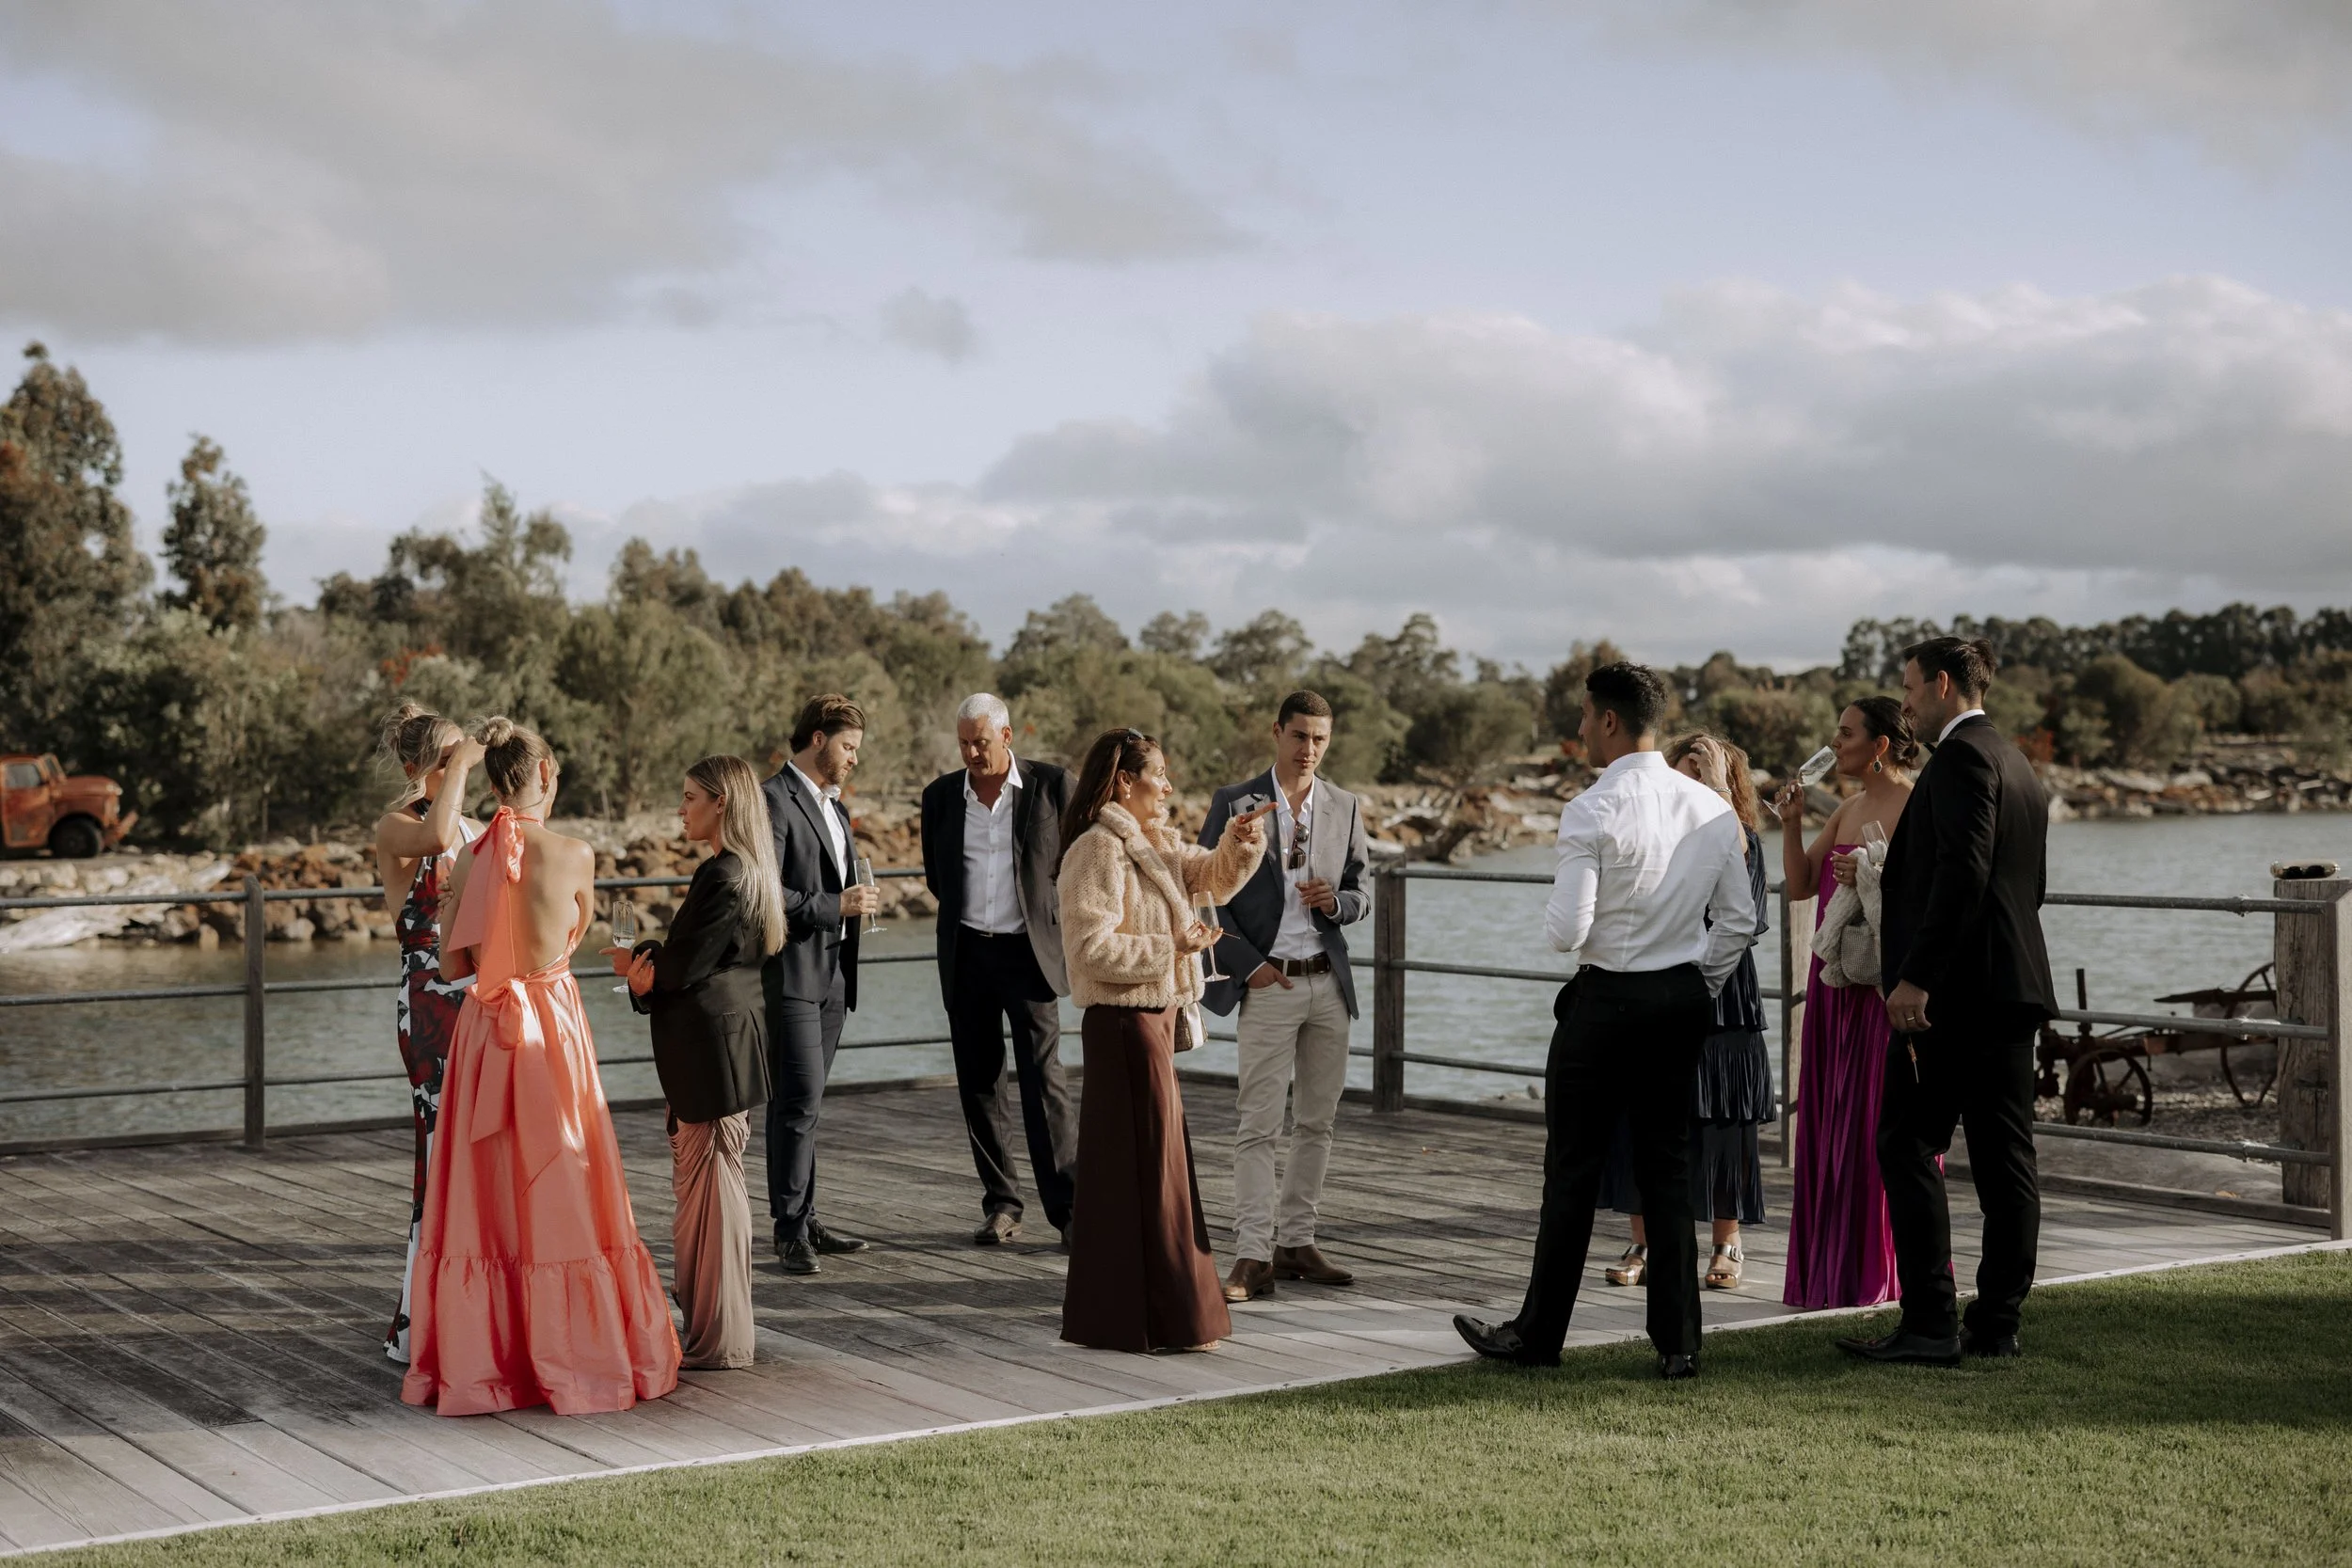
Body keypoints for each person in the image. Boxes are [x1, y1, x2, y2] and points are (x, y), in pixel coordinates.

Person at [1454, 663, 1755, 1379]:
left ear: (1610, 720)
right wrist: (1693, 980)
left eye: (1586, 716)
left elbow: (1566, 930)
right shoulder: (1712, 811)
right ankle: (1679, 1343)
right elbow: (1739, 919)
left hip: (1605, 1004)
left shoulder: (1589, 808)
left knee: (1573, 1169)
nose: (1582, 728)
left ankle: (1539, 1336)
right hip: (1678, 1001)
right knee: (1669, 1170)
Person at [401, 718, 680, 1416]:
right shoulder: (576, 854)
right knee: (565, 1182)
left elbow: (451, 964)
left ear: (493, 783)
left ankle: (489, 1361)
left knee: (485, 1194)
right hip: (550, 1028)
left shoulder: (467, 860)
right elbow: (577, 935)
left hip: (484, 1030)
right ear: (547, 775)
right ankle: (575, 1352)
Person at [1839, 638, 2056, 1366]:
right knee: (2005, 1162)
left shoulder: (1961, 759)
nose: (1902, 702)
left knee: (1904, 1142)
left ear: (1941, 684)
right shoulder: (2018, 761)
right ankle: (1995, 1324)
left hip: (1953, 998)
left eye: (1907, 688)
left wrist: (1918, 976)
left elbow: (1962, 874)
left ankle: (1931, 1321)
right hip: (2011, 988)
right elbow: (2028, 888)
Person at [1057, 728, 1272, 1354]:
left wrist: (1240, 840)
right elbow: (1087, 950)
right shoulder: (1098, 849)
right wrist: (1168, 948)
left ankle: (1143, 1316)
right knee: (1145, 1173)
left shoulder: (1155, 843)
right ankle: (1154, 1317)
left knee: (1154, 1171)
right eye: (1161, 775)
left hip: (1149, 1024)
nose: (1170, 787)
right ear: (1126, 781)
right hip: (1122, 1026)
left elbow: (1212, 878)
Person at [1198, 689, 1372, 1302]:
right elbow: (1206, 893)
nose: (1310, 749)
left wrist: (1339, 903)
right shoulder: (1235, 802)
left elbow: (1361, 889)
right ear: (1277, 732)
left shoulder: (1346, 806)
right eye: (1300, 736)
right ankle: (1252, 1255)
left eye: (1320, 739)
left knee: (1317, 1122)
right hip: (1269, 984)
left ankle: (1296, 1243)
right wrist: (1249, 967)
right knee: (1258, 1125)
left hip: (1329, 980)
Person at [611, 754, 780, 1370]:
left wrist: (638, 963)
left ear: (721, 804)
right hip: (724, 1044)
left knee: (712, 1188)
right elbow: (700, 957)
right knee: (717, 1183)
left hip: (712, 1050)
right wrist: (651, 959)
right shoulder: (747, 870)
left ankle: (721, 1337)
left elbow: (683, 967)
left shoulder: (725, 874)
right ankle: (720, 1328)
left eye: (689, 797)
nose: (680, 808)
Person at [1597, 734, 1771, 1292]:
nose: (1691, 786)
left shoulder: (1742, 839)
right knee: (1639, 1116)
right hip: (1655, 983)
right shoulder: (1653, 837)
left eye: (1705, 776)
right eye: (1684, 775)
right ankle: (1644, 1240)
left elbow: (1745, 917)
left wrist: (1718, 794)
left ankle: (1727, 1240)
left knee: (1723, 1121)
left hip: (1725, 1000)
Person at [1773, 696, 1917, 1309]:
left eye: (1847, 733)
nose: (1836, 742)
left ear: (1880, 744)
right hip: (1834, 986)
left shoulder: (1914, 804)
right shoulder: (1851, 806)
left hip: (1884, 988)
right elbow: (1802, 885)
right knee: (1829, 1124)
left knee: (1875, 1128)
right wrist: (1791, 821)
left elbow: (1924, 891)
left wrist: (1872, 872)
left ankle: (1878, 1270)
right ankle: (1827, 1271)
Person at [919, 693, 1077, 1247]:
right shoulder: (939, 797)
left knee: (1044, 1083)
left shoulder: (1054, 786)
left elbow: (1078, 863)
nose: (971, 752)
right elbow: (939, 878)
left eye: (980, 742)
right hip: (967, 956)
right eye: (963, 742)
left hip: (1029, 956)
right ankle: (1003, 1203)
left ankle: (1069, 1210)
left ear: (1007, 737)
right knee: (980, 1085)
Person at [370, 703, 485, 1365]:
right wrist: (464, 763)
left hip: (478, 996)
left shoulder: (465, 822)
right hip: (428, 1005)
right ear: (416, 769)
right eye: (443, 759)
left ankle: (476, 1311)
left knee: (476, 1155)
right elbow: (440, 840)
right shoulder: (401, 825)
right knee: (439, 1155)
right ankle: (422, 1323)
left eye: (460, 757)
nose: (457, 767)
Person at [759, 694, 882, 1275]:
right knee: (795, 1102)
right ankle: (788, 1231)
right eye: (848, 746)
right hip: (791, 976)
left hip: (833, 976)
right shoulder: (771, 800)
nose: (854, 758)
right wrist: (839, 905)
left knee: (809, 1105)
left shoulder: (837, 811)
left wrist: (848, 907)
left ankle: (806, 1217)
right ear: (817, 739)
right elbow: (766, 894)